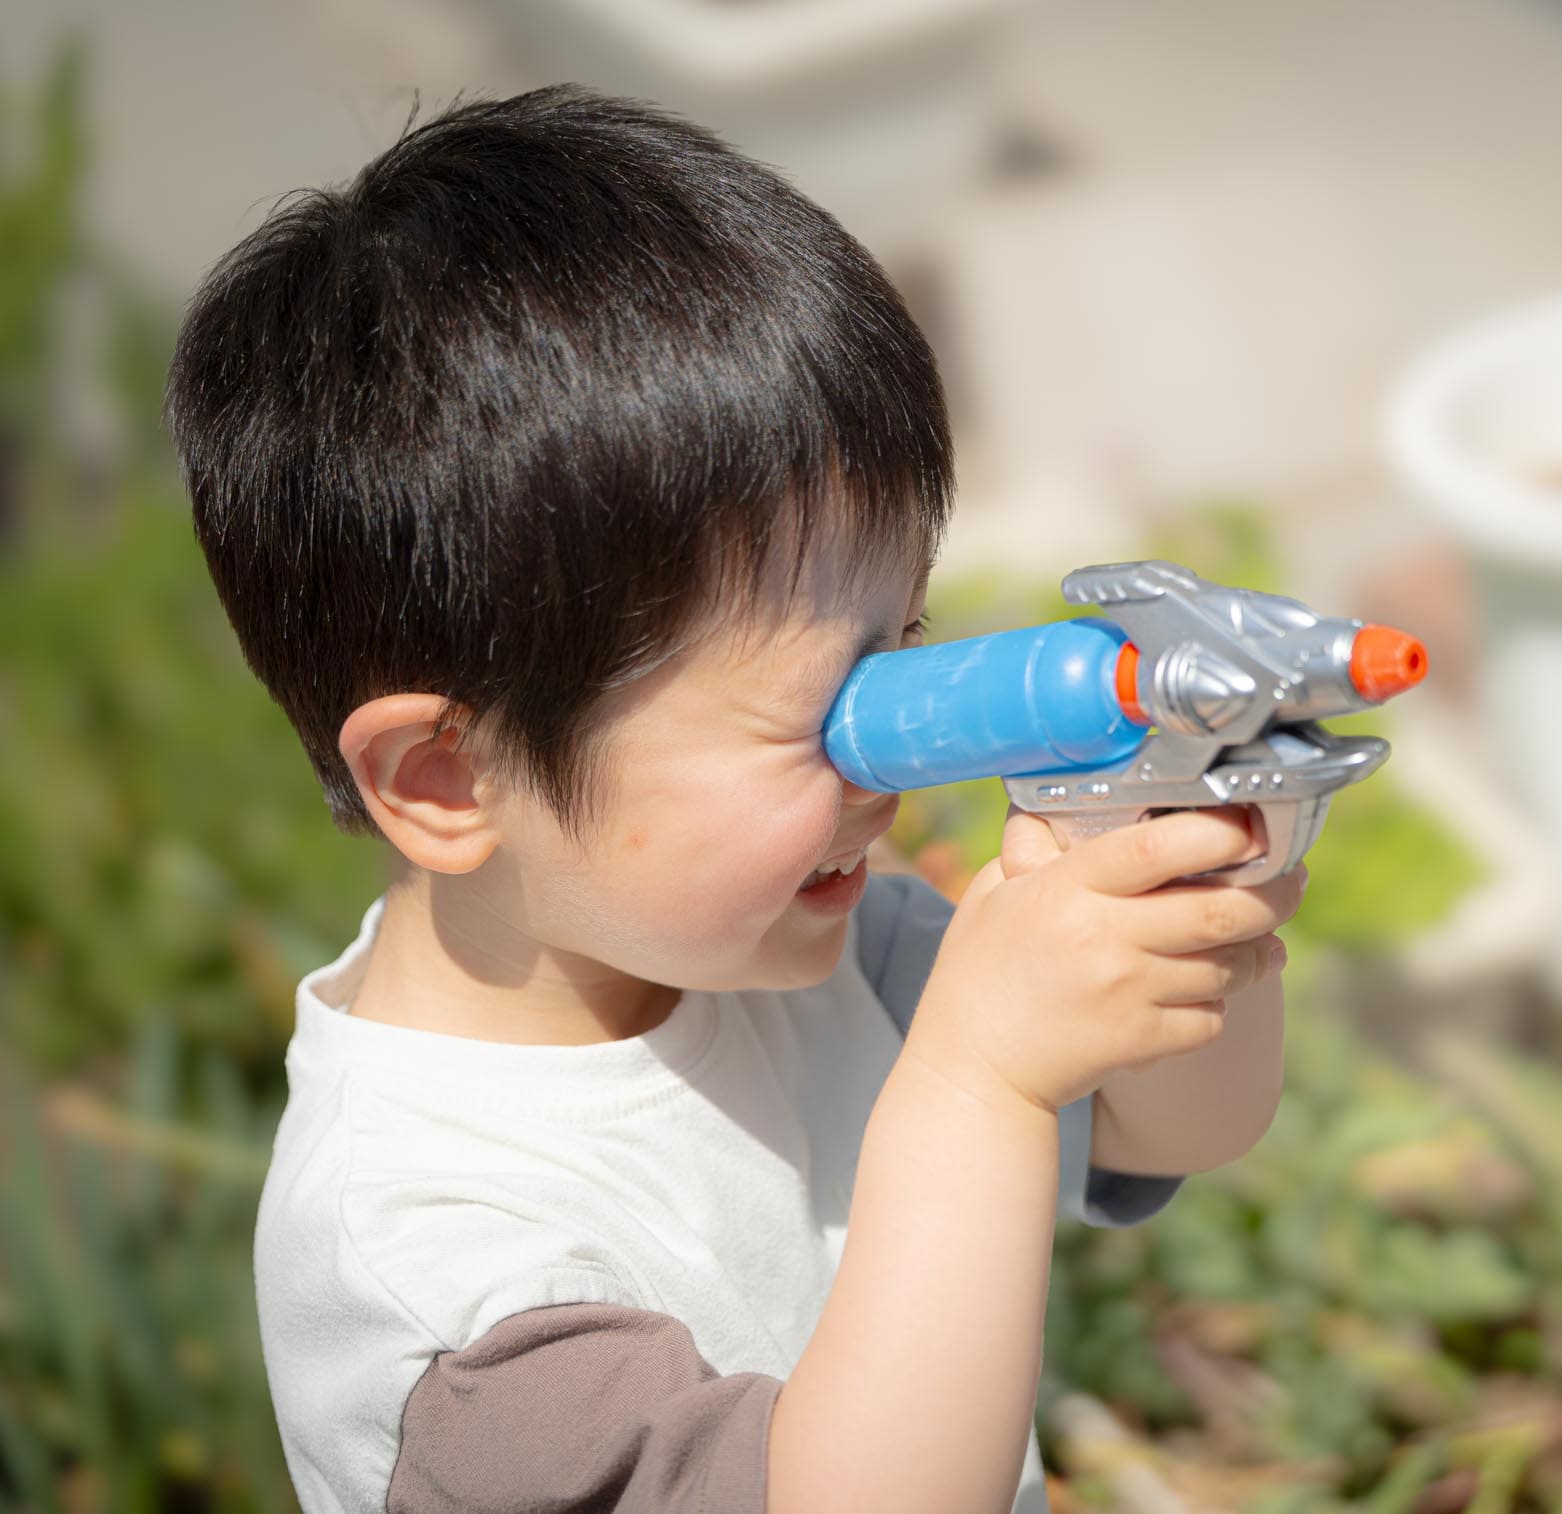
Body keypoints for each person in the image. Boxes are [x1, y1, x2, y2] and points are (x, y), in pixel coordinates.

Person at [166, 86, 1302, 1514]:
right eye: (820, 706)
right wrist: (980, 1081)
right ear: (451, 776)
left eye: (905, 645)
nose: (893, 755)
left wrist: (1201, 907)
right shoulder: (438, 1281)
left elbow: (1172, 1125)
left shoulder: (811, 949)